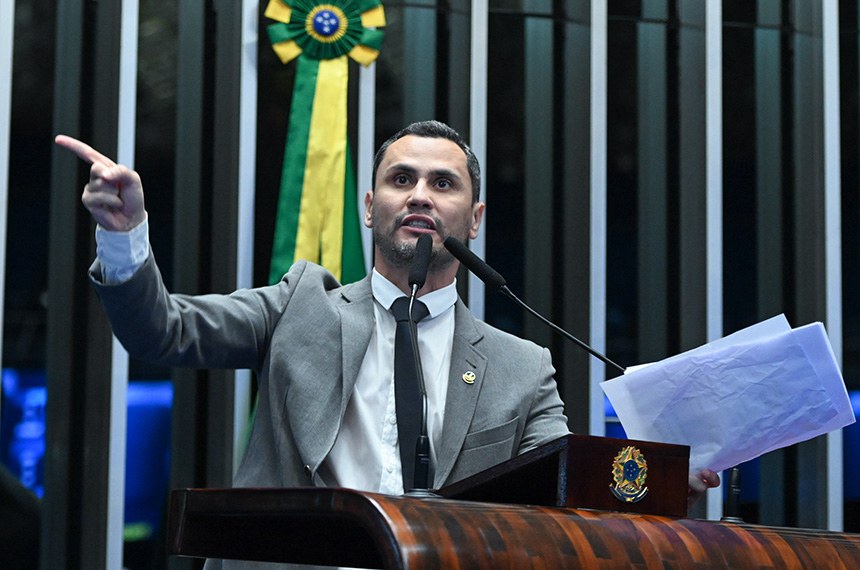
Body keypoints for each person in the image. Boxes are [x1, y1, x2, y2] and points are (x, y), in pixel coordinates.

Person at [56, 121, 718, 567]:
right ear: (370, 207)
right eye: (402, 180)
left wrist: (663, 484)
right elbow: (161, 331)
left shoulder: (521, 366)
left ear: (476, 220)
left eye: (443, 183)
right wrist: (125, 235)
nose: (421, 195)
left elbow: (567, 496)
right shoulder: (301, 305)